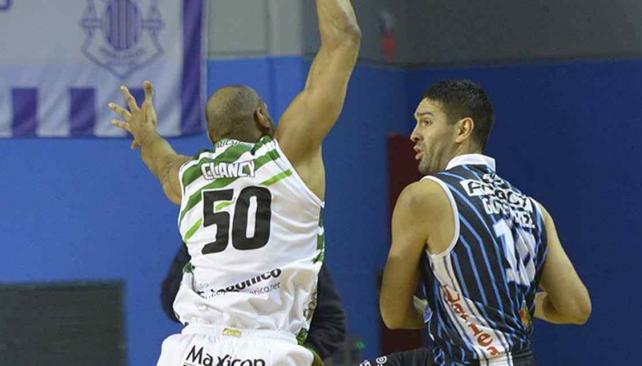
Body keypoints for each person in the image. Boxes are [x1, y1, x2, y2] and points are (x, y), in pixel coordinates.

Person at [108, 0, 360, 363]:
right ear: (262, 115)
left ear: (212, 134)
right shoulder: (286, 157)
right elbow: (344, 39)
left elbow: (160, 161)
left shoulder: (189, 177)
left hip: (191, 350)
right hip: (266, 346)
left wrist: (144, 133)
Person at [368, 80, 591, 366]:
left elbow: (394, 313)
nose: (414, 134)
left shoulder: (425, 195)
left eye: (426, 122)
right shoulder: (534, 209)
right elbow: (576, 308)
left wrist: (442, 311)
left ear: (462, 129)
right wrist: (510, 304)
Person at [160, 243, 347, 361]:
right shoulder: (204, 238)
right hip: (205, 354)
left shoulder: (296, 250)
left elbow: (332, 323)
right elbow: (170, 302)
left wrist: (290, 356)